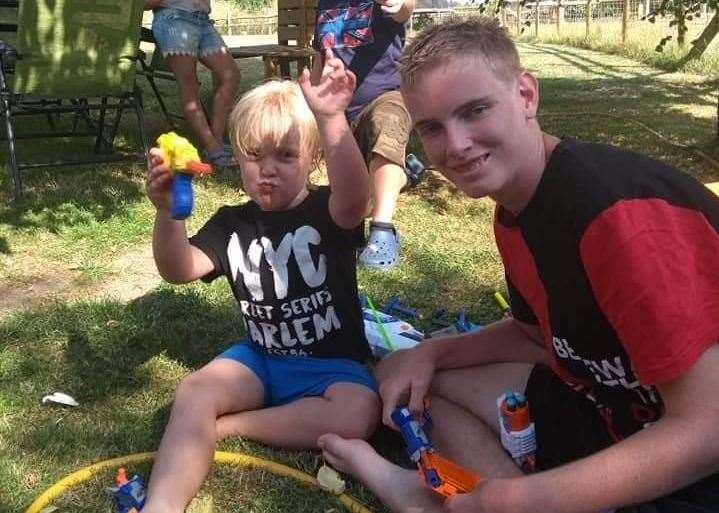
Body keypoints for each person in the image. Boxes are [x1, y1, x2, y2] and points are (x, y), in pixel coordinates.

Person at [316, 17, 719, 513]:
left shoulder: (617, 216)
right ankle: (457, 496)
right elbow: (535, 336)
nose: (457, 144)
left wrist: (518, 498)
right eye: (433, 128)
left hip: (692, 453)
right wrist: (432, 354)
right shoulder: (516, 213)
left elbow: (707, 431)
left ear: (526, 95)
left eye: (475, 110)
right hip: (614, 410)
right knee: (413, 384)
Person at [141, 49, 381, 513]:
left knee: (360, 412)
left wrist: (331, 119)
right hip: (261, 359)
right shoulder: (231, 223)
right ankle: (161, 507)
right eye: (254, 156)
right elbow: (177, 269)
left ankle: (232, 426)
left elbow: (358, 199)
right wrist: (168, 213)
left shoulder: (329, 209)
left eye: (286, 156)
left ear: (313, 159)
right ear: (237, 159)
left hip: (333, 365)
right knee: (194, 391)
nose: (267, 169)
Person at [313, 0, 418, 270]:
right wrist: (310, 106)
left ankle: (383, 230)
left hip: (382, 97)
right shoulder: (325, 4)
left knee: (388, 123)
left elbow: (405, 8)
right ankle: (402, 172)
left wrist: (401, 5)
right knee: (352, 207)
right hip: (338, 113)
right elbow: (319, 58)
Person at [145, 0, 240, 167]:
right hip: (173, 19)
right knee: (190, 86)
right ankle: (212, 148)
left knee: (231, 75)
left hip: (202, 20)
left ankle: (216, 142)